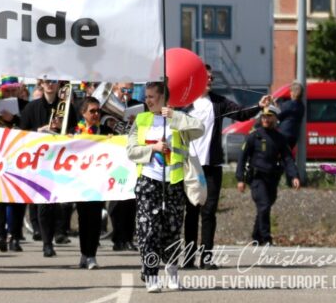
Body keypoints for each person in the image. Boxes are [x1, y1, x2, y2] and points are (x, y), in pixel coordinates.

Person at [183, 66, 270, 268]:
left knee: (208, 212)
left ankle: (206, 259)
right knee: (191, 212)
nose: (210, 79)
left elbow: (240, 114)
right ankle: (187, 259)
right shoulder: (184, 105)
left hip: (212, 165)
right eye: (206, 76)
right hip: (190, 166)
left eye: (212, 76)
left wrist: (258, 105)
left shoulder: (219, 102)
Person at [126, 82, 204, 293]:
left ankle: (172, 273)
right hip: (148, 182)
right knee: (148, 230)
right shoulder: (142, 120)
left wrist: (175, 116)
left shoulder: (178, 119)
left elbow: (200, 128)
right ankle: (151, 275)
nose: (147, 100)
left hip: (174, 182)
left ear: (163, 98)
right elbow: (131, 150)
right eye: (146, 96)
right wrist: (152, 148)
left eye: (152, 96)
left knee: (171, 230)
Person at [19, 78, 75, 257]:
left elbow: (76, 131)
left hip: (62, 160)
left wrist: (62, 129)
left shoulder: (67, 108)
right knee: (44, 204)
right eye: (46, 82)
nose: (50, 85)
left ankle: (59, 232)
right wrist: (40, 131)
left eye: (53, 81)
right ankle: (46, 243)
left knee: (61, 203)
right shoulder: (31, 108)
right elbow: (22, 134)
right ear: (41, 84)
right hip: (40, 161)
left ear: (58, 84)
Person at [235, 105, 301, 246]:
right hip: (257, 178)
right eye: (264, 116)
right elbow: (242, 157)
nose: (265, 119)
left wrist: (294, 176)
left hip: (272, 178)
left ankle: (256, 236)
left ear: (275, 118)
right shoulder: (254, 136)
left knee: (265, 207)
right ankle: (266, 238)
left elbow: (288, 158)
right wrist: (240, 179)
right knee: (264, 205)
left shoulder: (280, 138)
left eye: (269, 117)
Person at [0, 76, 28, 253]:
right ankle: (1, 236)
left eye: (13, 90)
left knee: (17, 201)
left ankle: (14, 236)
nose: (10, 94)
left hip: (18, 159)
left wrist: (14, 120)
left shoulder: (26, 107)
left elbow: (30, 130)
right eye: (7, 91)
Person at [72, 96, 104, 270]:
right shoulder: (76, 131)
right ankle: (84, 254)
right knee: (83, 218)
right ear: (83, 113)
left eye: (98, 110)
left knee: (95, 218)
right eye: (92, 111)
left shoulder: (104, 129)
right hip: (80, 182)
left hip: (99, 182)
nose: (96, 114)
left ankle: (92, 255)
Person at [108, 82, 141, 251]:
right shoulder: (109, 107)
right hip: (114, 158)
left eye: (130, 90)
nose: (126, 93)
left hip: (130, 158)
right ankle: (117, 237)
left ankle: (128, 237)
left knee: (131, 199)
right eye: (123, 90)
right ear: (115, 88)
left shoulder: (136, 106)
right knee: (116, 199)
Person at [275, 82, 305, 150]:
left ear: (292, 93)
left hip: (283, 134)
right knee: (287, 155)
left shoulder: (288, 104)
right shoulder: (301, 106)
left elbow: (277, 114)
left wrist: (275, 106)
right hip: (294, 135)